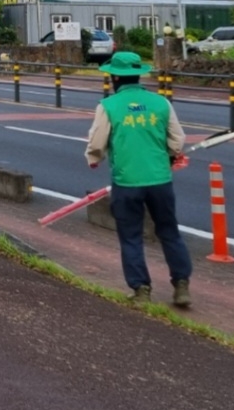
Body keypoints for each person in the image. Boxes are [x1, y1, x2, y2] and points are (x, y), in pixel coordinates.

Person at [86, 50, 192, 307]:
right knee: (169, 232)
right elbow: (178, 140)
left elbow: (97, 143)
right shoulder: (161, 103)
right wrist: (169, 154)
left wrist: (94, 158)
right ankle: (181, 286)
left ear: (115, 78)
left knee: (131, 235)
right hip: (160, 180)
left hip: (127, 181)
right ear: (138, 75)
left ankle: (141, 290)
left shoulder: (108, 106)